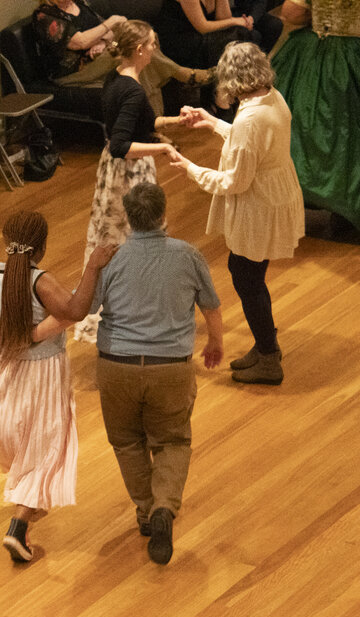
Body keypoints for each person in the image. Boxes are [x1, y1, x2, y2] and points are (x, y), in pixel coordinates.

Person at [0, 211, 117, 562]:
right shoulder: (40, 281)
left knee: (15, 439)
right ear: (44, 245)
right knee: (48, 443)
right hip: (40, 371)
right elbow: (77, 309)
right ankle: (18, 524)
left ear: (7, 242)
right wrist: (93, 267)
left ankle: (29, 500)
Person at [94, 182, 223, 565]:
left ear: (129, 219)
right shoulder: (188, 255)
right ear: (164, 214)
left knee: (127, 441)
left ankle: (148, 509)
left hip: (116, 365)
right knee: (172, 441)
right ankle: (163, 507)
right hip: (170, 367)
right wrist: (215, 343)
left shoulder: (112, 260)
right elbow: (211, 307)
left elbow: (86, 304)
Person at [170, 42, 303, 384]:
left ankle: (269, 357)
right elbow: (251, 143)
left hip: (260, 203)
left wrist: (189, 168)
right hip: (274, 193)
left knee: (246, 276)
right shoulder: (271, 96)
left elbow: (235, 182)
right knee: (249, 273)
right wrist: (213, 122)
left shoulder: (251, 118)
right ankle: (265, 346)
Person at [74, 19, 188, 343]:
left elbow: (144, 121)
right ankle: (129, 321)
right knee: (133, 245)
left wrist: (179, 122)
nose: (155, 49)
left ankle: (123, 317)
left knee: (111, 242)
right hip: (129, 176)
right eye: (152, 44)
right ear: (139, 49)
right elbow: (124, 144)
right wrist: (164, 148)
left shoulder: (119, 78)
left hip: (112, 170)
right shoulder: (132, 89)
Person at [272, 0, 360, 242]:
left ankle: (295, 195)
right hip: (353, 58)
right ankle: (348, 210)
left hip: (311, 53)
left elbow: (291, 13)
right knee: (354, 134)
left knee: (303, 128)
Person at [31, 0, 213, 114]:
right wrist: (111, 23)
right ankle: (184, 74)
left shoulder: (80, 4)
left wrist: (102, 41)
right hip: (73, 72)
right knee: (136, 46)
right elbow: (79, 42)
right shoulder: (45, 15)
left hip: (99, 56)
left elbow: (110, 32)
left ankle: (153, 127)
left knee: (142, 51)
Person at [153, 0, 256, 69]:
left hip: (198, 35)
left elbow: (223, 18)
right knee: (233, 38)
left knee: (243, 32)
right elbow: (203, 27)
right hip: (178, 41)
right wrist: (235, 21)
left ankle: (239, 84)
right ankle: (220, 92)